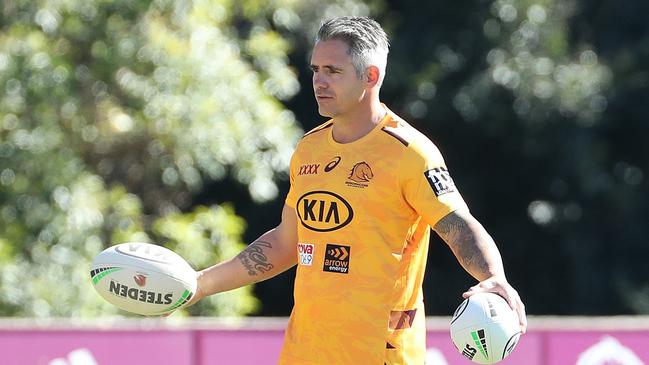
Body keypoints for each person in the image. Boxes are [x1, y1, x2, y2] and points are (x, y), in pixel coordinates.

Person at [185, 16, 527, 364]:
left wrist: (494, 277)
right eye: (316, 69)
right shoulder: (309, 149)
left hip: (380, 354)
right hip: (305, 353)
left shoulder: (410, 153)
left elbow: (458, 226)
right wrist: (200, 284)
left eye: (333, 70)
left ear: (371, 75)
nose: (319, 81)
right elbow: (286, 242)